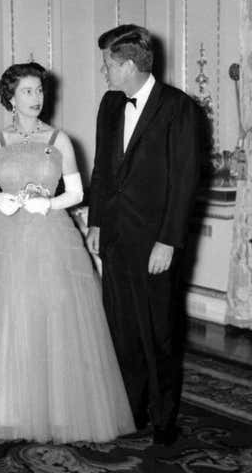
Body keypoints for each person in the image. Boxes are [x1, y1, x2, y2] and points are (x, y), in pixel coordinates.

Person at [0, 62, 135, 444]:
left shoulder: (59, 139)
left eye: (40, 90)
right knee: (9, 316)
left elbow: (77, 192)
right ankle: (8, 409)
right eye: (28, 92)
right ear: (11, 98)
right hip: (5, 238)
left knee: (53, 316)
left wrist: (48, 206)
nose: (37, 98)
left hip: (52, 237)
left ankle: (58, 410)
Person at [87, 24, 202, 446]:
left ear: (130, 65)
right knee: (121, 327)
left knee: (159, 331)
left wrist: (168, 241)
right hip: (116, 236)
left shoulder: (179, 108)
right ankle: (129, 410)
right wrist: (96, 223)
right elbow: (102, 170)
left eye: (107, 66)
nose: (103, 73)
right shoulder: (109, 104)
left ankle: (163, 416)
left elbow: (184, 182)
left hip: (156, 242)